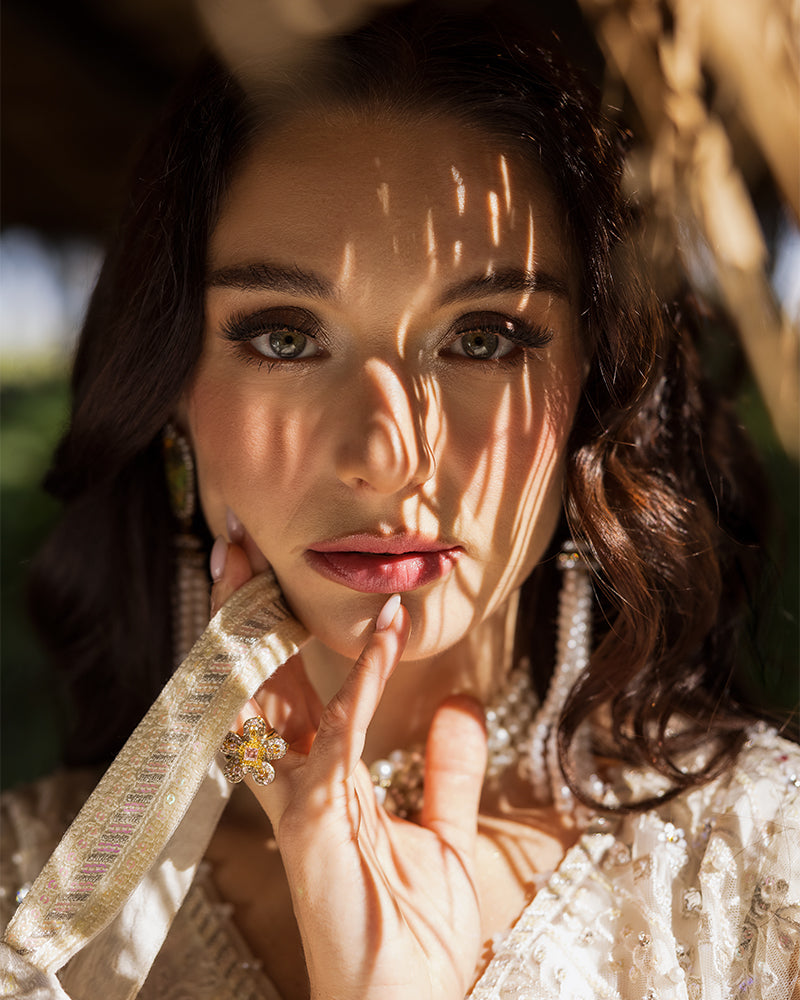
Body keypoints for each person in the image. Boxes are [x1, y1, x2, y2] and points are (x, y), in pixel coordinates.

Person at [2, 3, 798, 998]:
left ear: (589, 397)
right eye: (285, 337)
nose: (385, 456)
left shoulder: (766, 872)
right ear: (171, 400)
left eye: (484, 337)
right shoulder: (26, 896)